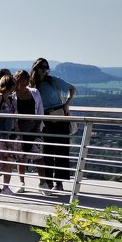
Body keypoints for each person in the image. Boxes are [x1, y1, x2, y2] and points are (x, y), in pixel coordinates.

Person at [31, 59, 74, 190]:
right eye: (41, 67)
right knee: (46, 151)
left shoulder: (52, 80)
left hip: (58, 116)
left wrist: (66, 104)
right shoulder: (32, 84)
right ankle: (48, 181)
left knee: (61, 149)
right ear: (35, 68)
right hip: (43, 118)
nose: (44, 69)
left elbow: (72, 88)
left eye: (46, 67)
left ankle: (59, 183)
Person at [12, 70, 43, 192]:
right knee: (21, 156)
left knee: (39, 155)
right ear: (17, 81)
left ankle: (43, 183)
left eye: (26, 79)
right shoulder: (13, 95)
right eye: (21, 80)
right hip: (19, 128)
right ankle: (21, 183)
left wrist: (38, 125)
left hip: (34, 127)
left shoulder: (34, 92)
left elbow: (40, 109)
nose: (24, 82)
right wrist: (17, 130)